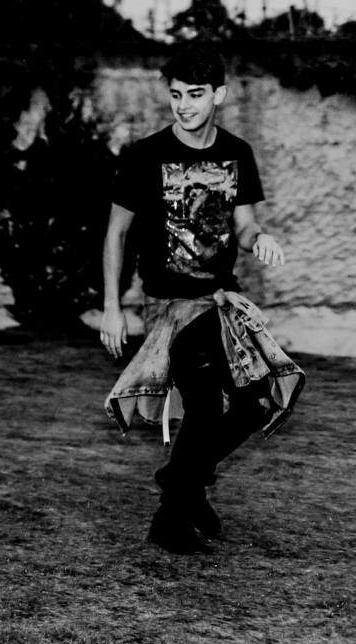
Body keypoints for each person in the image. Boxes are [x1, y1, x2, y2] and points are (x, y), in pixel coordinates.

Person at [99, 44, 305, 555]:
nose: (184, 106)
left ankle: (181, 479)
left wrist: (261, 238)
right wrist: (111, 305)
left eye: (195, 95)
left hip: (222, 301)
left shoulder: (238, 153)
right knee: (206, 410)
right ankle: (170, 519)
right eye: (175, 96)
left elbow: (246, 222)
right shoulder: (145, 156)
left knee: (257, 403)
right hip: (170, 305)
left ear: (219, 95)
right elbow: (115, 235)